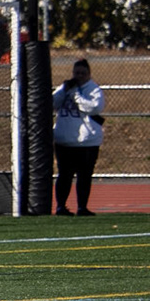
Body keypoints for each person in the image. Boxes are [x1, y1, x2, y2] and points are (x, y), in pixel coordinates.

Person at [53, 58, 104, 216]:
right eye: (77, 73)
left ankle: (82, 207)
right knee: (64, 175)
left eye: (83, 73)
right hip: (65, 141)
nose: (79, 76)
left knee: (84, 176)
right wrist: (64, 91)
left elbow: (94, 107)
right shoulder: (65, 88)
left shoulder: (94, 90)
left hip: (86, 142)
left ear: (89, 74)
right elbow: (51, 103)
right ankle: (61, 206)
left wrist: (76, 95)